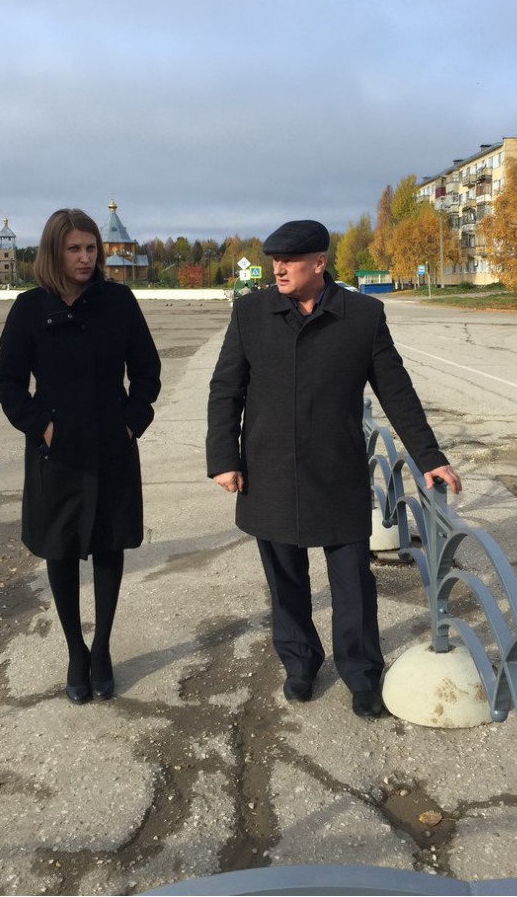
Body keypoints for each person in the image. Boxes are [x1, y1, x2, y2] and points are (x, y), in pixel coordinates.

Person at [206, 219, 461, 719]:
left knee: (352, 583)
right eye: (275, 261)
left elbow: (396, 390)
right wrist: (223, 458)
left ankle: (362, 674)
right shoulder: (251, 313)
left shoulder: (362, 316)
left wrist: (429, 457)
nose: (279, 269)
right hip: (269, 470)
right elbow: (226, 389)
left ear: (319, 263)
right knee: (285, 581)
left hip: (337, 471)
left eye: (290, 261)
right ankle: (300, 664)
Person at [0, 208, 161, 704]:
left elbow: (147, 371)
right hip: (57, 452)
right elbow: (6, 380)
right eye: (74, 249)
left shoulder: (119, 301)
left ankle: (102, 648)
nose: (85, 257)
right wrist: (41, 427)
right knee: (60, 549)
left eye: (91, 248)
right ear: (54, 252)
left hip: (112, 446)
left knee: (109, 545)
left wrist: (131, 422)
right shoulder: (29, 308)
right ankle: (75, 650)